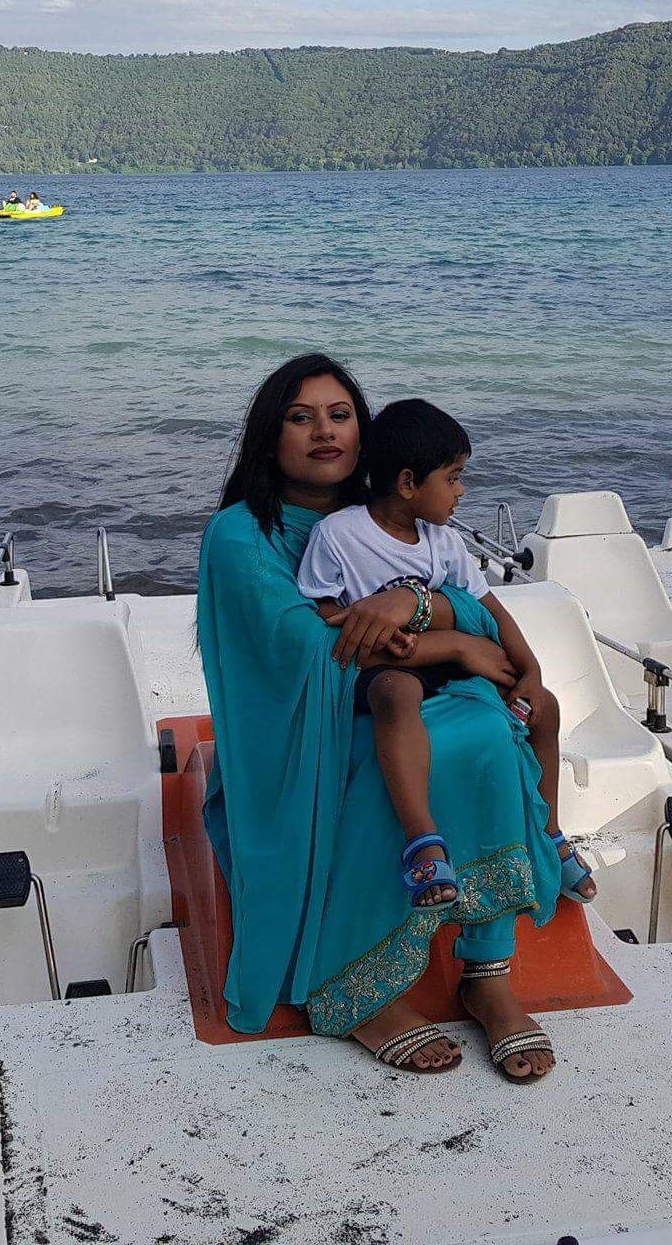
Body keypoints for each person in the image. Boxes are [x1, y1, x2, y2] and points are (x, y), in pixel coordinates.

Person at [197, 354, 563, 1081]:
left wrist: (416, 606)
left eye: (340, 415)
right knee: (411, 752)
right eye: (300, 418)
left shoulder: (394, 520)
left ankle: (488, 973)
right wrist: (450, 636)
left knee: (490, 728)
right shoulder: (241, 536)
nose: (324, 432)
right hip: (303, 730)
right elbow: (320, 651)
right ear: (269, 435)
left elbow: (471, 606)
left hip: (403, 690)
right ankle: (357, 988)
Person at [295, 398, 595, 915]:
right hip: (380, 667)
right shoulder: (339, 536)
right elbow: (322, 613)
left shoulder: (445, 542)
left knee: (545, 708)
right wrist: (372, 636)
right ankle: (422, 841)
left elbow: (493, 611)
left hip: (446, 663)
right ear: (408, 483)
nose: (461, 491)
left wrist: (531, 671)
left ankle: (550, 833)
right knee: (396, 692)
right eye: (453, 478)